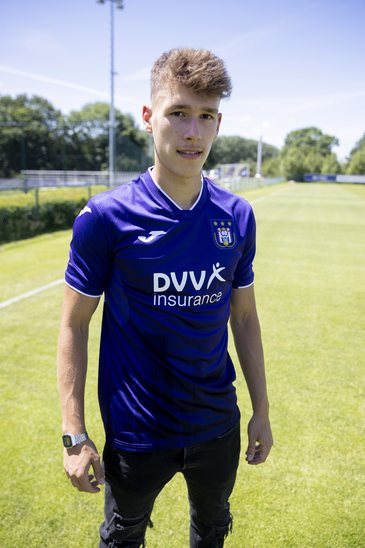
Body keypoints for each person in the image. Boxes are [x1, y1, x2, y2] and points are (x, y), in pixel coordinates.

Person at [57, 47, 273, 548]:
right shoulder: (105, 218)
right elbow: (74, 324)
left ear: (219, 123)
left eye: (205, 117)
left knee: (213, 528)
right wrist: (74, 434)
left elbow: (244, 318)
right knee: (123, 536)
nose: (192, 132)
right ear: (150, 117)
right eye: (178, 113)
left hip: (217, 425)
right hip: (137, 433)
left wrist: (261, 409)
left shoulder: (237, 216)